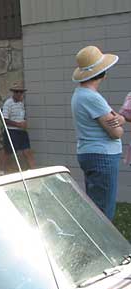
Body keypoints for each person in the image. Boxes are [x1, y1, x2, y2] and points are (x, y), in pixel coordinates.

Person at [71, 45, 125, 220]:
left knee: (95, 206)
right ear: (101, 72)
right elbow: (115, 132)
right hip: (103, 156)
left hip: (89, 153)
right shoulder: (93, 98)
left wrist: (119, 120)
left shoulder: (79, 94)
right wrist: (119, 125)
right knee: (103, 212)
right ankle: (104, 247)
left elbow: (115, 118)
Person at [0, 82, 35, 175]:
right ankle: (1, 171)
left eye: (20, 92)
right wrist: (18, 124)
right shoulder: (8, 103)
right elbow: (4, 119)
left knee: (27, 151)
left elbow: (21, 116)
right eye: (17, 92)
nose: (19, 94)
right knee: (8, 151)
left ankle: (34, 171)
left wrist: (24, 123)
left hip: (22, 131)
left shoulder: (21, 103)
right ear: (13, 93)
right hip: (11, 130)